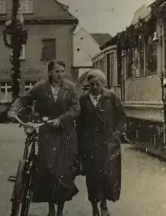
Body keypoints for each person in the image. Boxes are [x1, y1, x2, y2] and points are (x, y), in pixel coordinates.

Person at [7, 60, 80, 216]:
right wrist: (13, 111)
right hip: (47, 132)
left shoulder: (70, 88)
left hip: (65, 133)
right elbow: (23, 99)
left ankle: (60, 209)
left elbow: (76, 109)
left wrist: (61, 119)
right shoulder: (40, 87)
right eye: (56, 71)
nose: (60, 74)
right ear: (50, 72)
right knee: (48, 170)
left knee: (63, 172)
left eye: (62, 71)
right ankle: (51, 209)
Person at [77, 69, 126, 216]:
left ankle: (104, 205)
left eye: (97, 84)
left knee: (107, 176)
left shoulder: (111, 97)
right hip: (89, 146)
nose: (94, 87)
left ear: (102, 83)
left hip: (107, 145)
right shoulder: (83, 99)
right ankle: (94, 208)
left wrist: (117, 133)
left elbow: (122, 117)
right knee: (92, 178)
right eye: (91, 84)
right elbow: (78, 123)